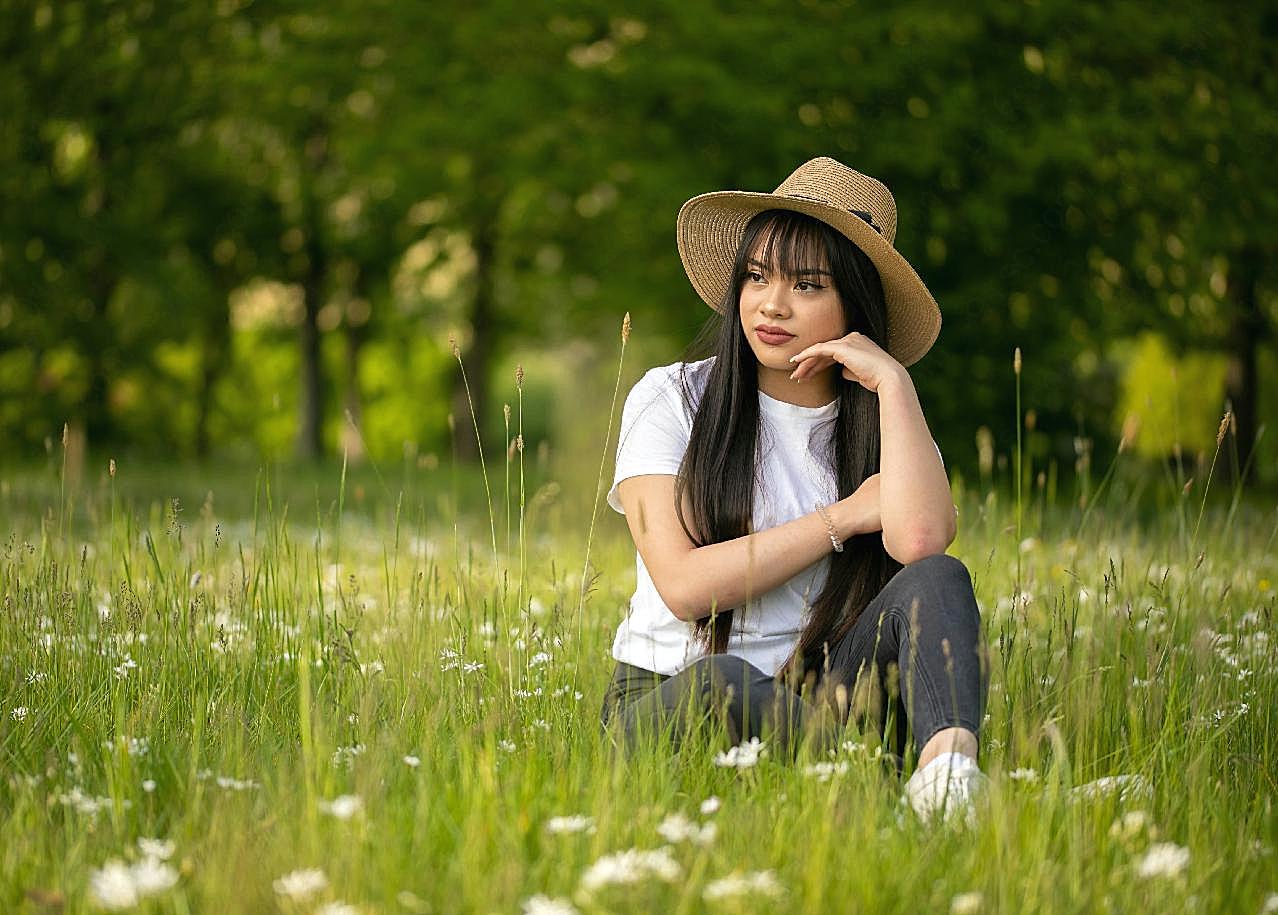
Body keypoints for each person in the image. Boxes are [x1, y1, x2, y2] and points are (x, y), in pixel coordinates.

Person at [598, 157, 989, 822]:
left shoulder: (888, 421)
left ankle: (949, 786)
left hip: (817, 693)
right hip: (672, 697)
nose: (771, 304)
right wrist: (843, 516)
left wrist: (895, 383)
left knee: (940, 578)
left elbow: (921, 545)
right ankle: (874, 794)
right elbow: (687, 587)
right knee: (723, 683)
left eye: (807, 285)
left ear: (855, 304)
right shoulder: (673, 398)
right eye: (757, 276)